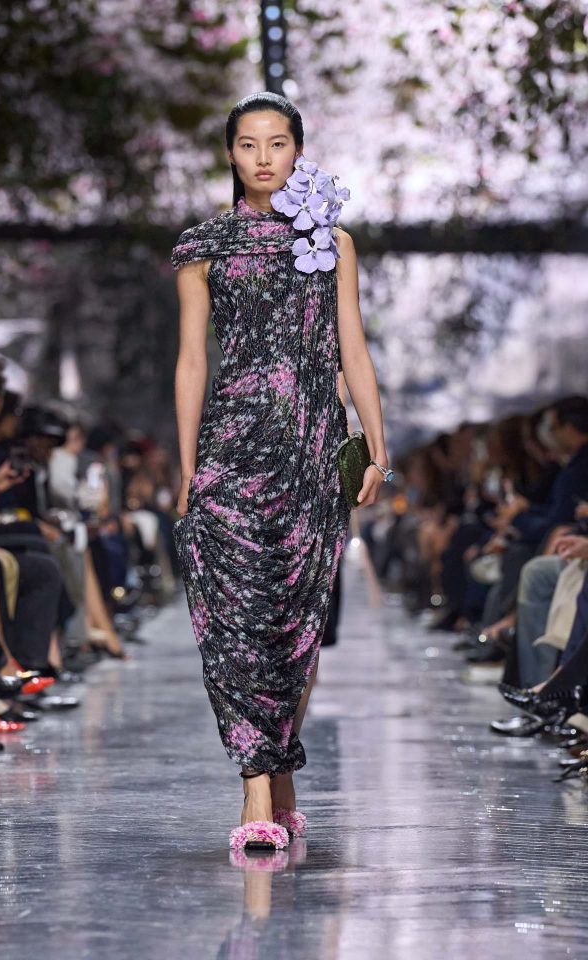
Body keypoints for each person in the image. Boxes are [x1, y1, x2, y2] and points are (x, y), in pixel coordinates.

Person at [171, 92, 389, 851]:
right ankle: (256, 788)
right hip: (232, 448)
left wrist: (378, 448)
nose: (263, 158)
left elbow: (352, 347)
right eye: (247, 144)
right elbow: (192, 361)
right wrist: (186, 467)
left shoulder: (333, 241)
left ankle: (280, 770)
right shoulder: (203, 247)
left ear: (298, 150)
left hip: (311, 448)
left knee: (297, 620)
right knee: (235, 616)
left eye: (277, 143)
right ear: (230, 154)